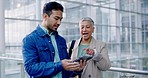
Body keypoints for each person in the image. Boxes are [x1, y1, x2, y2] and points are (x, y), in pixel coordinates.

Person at [22, 2, 83, 78]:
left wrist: (76, 69)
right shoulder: (30, 40)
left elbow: (66, 71)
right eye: (56, 18)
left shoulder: (61, 40)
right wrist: (59, 65)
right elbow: (30, 68)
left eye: (61, 19)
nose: (59, 23)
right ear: (45, 16)